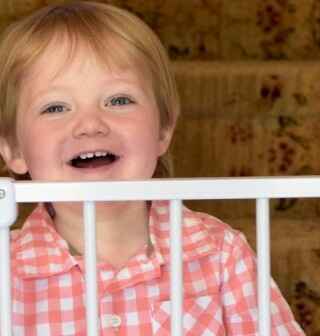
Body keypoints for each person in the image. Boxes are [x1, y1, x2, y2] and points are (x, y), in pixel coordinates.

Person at [0, 2, 304, 335]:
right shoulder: (5, 272)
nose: (90, 124)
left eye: (119, 100)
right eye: (55, 107)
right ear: (14, 149)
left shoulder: (220, 254)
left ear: (162, 131)